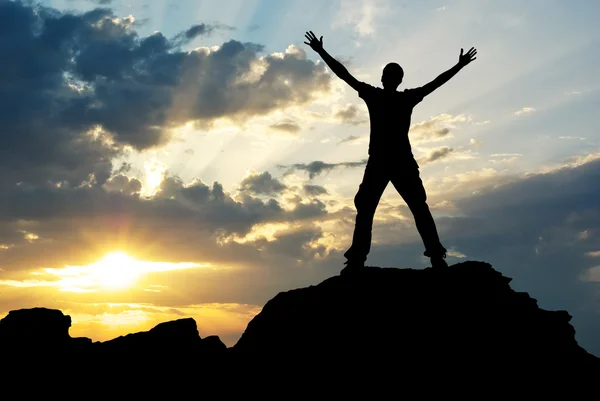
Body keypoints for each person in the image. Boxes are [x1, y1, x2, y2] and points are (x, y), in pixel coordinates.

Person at [303, 31, 477, 273]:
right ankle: (431, 256)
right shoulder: (402, 98)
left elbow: (345, 75)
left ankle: (361, 260)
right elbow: (436, 83)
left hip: (389, 162)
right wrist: (459, 66)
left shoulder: (378, 96)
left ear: (386, 78)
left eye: (390, 75)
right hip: (393, 161)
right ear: (394, 79)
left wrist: (321, 52)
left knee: (384, 209)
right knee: (397, 208)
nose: (388, 78)